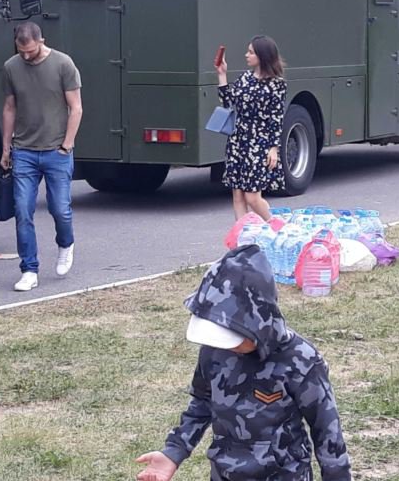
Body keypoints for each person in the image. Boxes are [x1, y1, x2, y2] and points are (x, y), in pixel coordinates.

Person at [134, 244, 352, 481]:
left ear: (260, 323)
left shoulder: (301, 361)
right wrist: (173, 452)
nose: (229, 347)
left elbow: (327, 433)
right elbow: (202, 403)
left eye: (236, 339)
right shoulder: (214, 351)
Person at [1, 22, 83, 292]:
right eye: (21, 51)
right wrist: (6, 147)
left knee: (60, 208)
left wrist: (66, 145)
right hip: (24, 150)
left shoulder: (63, 64)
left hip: (56, 150)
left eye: (31, 51)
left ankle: (65, 243)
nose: (26, 56)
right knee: (22, 210)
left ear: (41, 41)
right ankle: (29, 269)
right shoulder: (11, 67)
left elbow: (76, 108)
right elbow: (10, 108)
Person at [216, 36, 286, 221]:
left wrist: (273, 148)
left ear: (262, 56)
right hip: (238, 140)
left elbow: (276, 118)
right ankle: (244, 239)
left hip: (259, 142)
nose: (246, 55)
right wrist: (222, 74)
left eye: (251, 52)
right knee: (238, 195)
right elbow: (228, 104)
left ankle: (278, 228)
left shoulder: (276, 84)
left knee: (252, 197)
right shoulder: (245, 78)